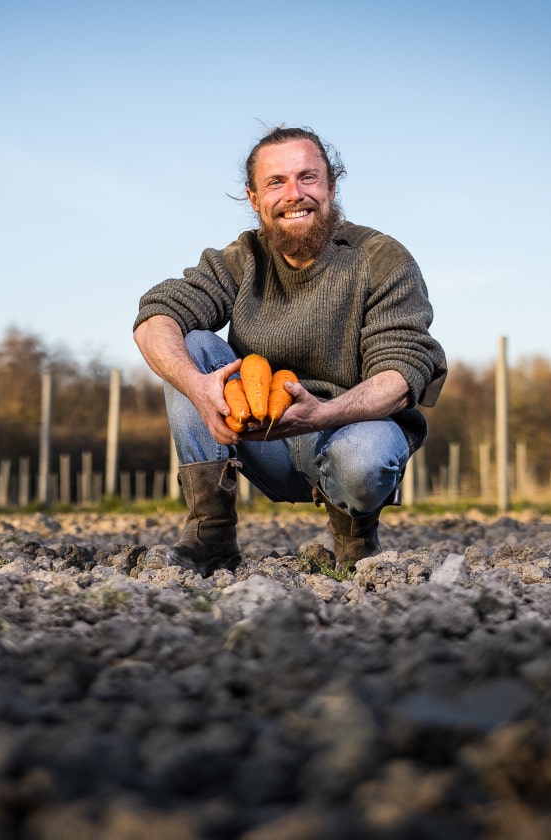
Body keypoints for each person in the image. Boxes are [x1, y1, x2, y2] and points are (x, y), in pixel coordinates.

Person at [133, 126, 447, 576]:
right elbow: (155, 317)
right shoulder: (243, 258)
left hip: (348, 429)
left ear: (331, 187)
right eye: (275, 182)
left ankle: (355, 538)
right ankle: (212, 533)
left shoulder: (380, 258)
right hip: (261, 435)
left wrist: (322, 414)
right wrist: (198, 388)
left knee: (365, 457)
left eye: (307, 177)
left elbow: (401, 376)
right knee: (191, 345)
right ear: (254, 198)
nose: (294, 195)